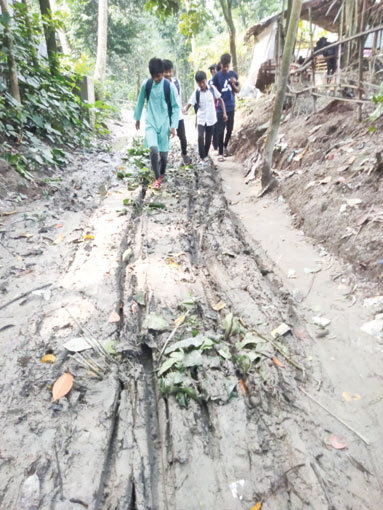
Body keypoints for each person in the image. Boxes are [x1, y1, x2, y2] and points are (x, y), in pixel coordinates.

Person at [134, 58, 180, 189]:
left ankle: (162, 173)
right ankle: (157, 178)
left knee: (164, 156)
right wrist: (137, 118)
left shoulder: (168, 86)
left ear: (162, 73)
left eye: (159, 76)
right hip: (151, 122)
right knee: (153, 150)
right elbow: (140, 100)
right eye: (154, 77)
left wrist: (173, 126)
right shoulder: (146, 84)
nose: (156, 79)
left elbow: (176, 107)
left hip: (164, 123)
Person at [183, 71, 227, 162]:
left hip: (211, 119)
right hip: (201, 118)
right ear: (197, 83)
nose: (202, 84)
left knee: (208, 140)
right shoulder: (196, 92)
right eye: (199, 83)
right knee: (200, 137)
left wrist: (224, 113)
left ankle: (205, 155)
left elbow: (220, 100)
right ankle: (202, 157)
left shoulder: (212, 89)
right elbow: (190, 103)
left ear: (206, 80)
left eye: (203, 82)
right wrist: (185, 109)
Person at [163, 59, 191, 165]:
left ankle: (184, 154)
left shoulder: (176, 82)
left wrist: (182, 109)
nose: (168, 74)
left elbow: (178, 98)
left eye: (170, 71)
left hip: (177, 115)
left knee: (182, 137)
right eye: (166, 72)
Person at [212, 53, 239, 161]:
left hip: (231, 106)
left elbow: (237, 91)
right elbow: (212, 90)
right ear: (220, 64)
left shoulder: (233, 74)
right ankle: (220, 153)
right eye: (224, 67)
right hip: (220, 107)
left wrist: (234, 84)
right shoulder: (216, 76)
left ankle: (224, 145)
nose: (226, 69)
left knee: (230, 129)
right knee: (220, 130)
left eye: (227, 66)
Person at [208, 64, 218, 151]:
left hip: (220, 106)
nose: (213, 71)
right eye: (211, 70)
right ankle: (215, 144)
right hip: (212, 107)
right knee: (214, 126)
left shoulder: (221, 79)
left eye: (214, 69)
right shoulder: (209, 82)